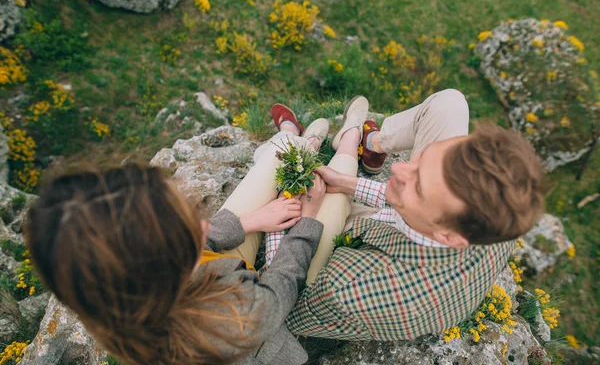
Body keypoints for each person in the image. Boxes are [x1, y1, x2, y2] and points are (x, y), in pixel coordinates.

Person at [23, 112, 335, 364]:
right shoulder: (228, 322)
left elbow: (200, 240)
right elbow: (281, 287)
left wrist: (252, 220)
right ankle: (340, 146)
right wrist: (306, 222)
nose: (203, 226)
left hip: (221, 278)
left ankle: (293, 139)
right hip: (271, 319)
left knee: (280, 156)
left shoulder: (127, 295)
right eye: (184, 227)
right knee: (330, 204)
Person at [285, 89, 546, 341]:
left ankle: (332, 140)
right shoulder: (497, 213)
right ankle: (370, 143)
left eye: (419, 186)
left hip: (357, 255)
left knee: (301, 194)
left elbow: (287, 312)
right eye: (419, 162)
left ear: (448, 234)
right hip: (403, 230)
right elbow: (428, 201)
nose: (398, 168)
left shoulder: (349, 289)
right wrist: (347, 183)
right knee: (450, 104)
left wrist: (305, 220)